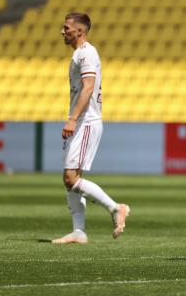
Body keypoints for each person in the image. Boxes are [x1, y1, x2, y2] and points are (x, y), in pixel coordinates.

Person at [52, 13, 130, 244]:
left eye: (66, 27)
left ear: (80, 31)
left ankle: (116, 208)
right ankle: (79, 231)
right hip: (80, 121)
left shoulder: (86, 53)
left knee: (71, 178)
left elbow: (88, 88)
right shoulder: (79, 54)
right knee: (71, 177)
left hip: (86, 122)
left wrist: (73, 119)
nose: (62, 31)